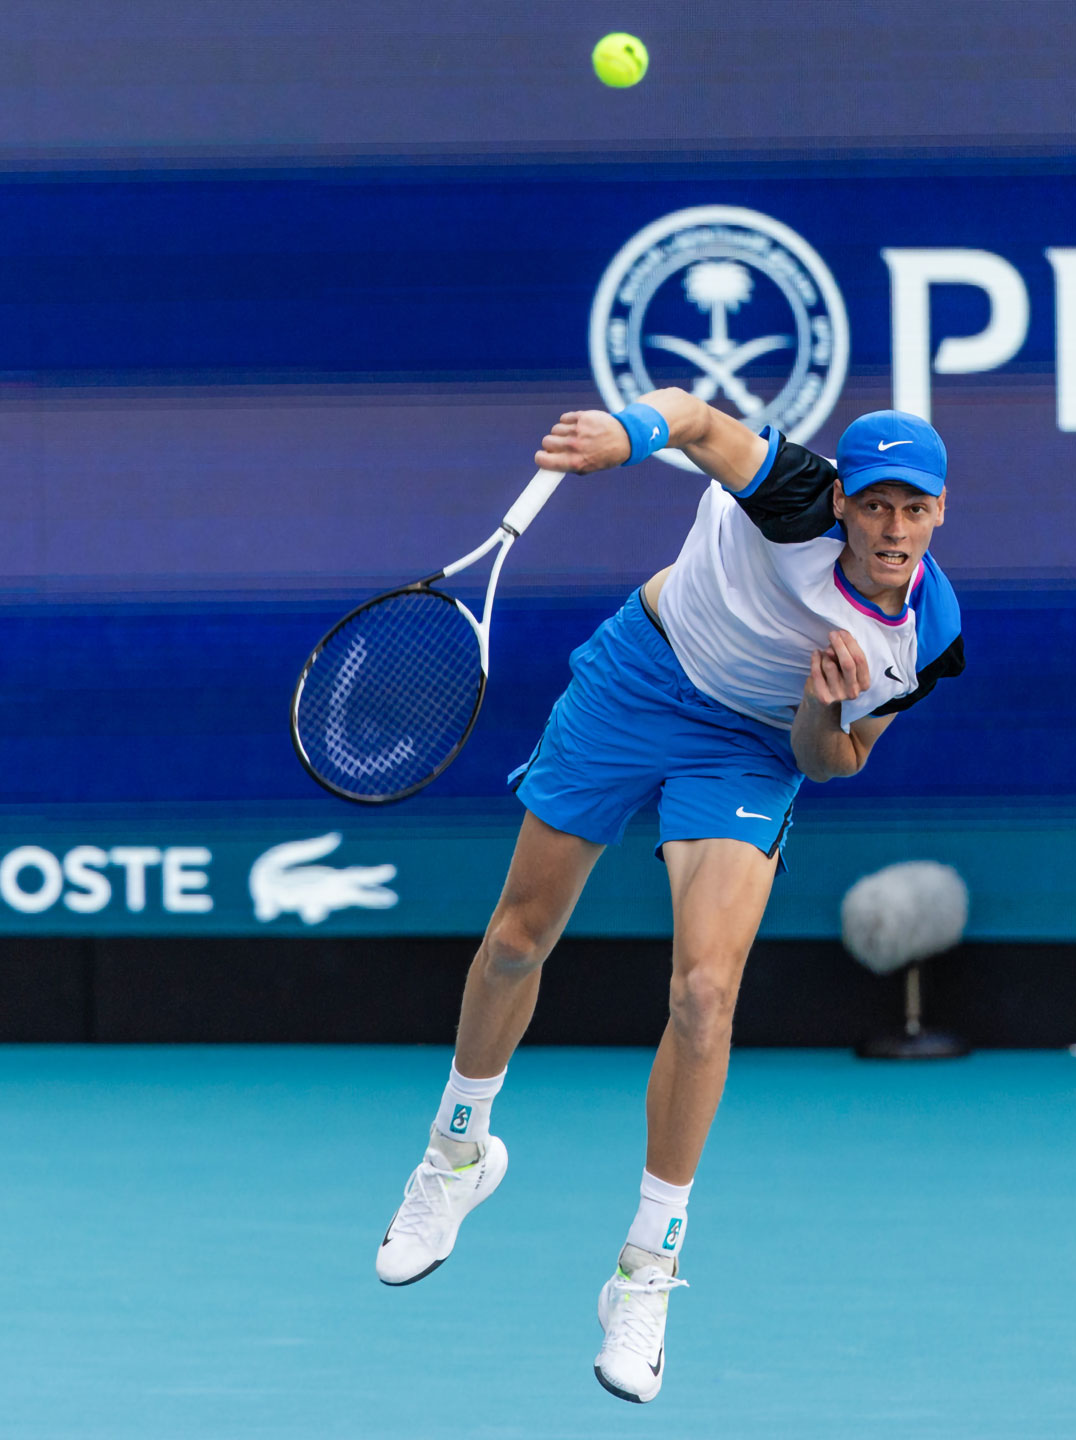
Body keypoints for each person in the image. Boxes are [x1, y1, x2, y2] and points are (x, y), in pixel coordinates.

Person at [373, 388, 966, 1403]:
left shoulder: (928, 634)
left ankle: (645, 1272)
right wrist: (627, 436)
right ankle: (456, 1152)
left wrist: (822, 710)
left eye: (914, 508)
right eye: (875, 505)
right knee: (517, 937)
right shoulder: (793, 494)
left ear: (940, 512)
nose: (892, 527)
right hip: (638, 680)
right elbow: (694, 418)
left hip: (751, 747)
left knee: (703, 995)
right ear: (846, 502)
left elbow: (836, 758)